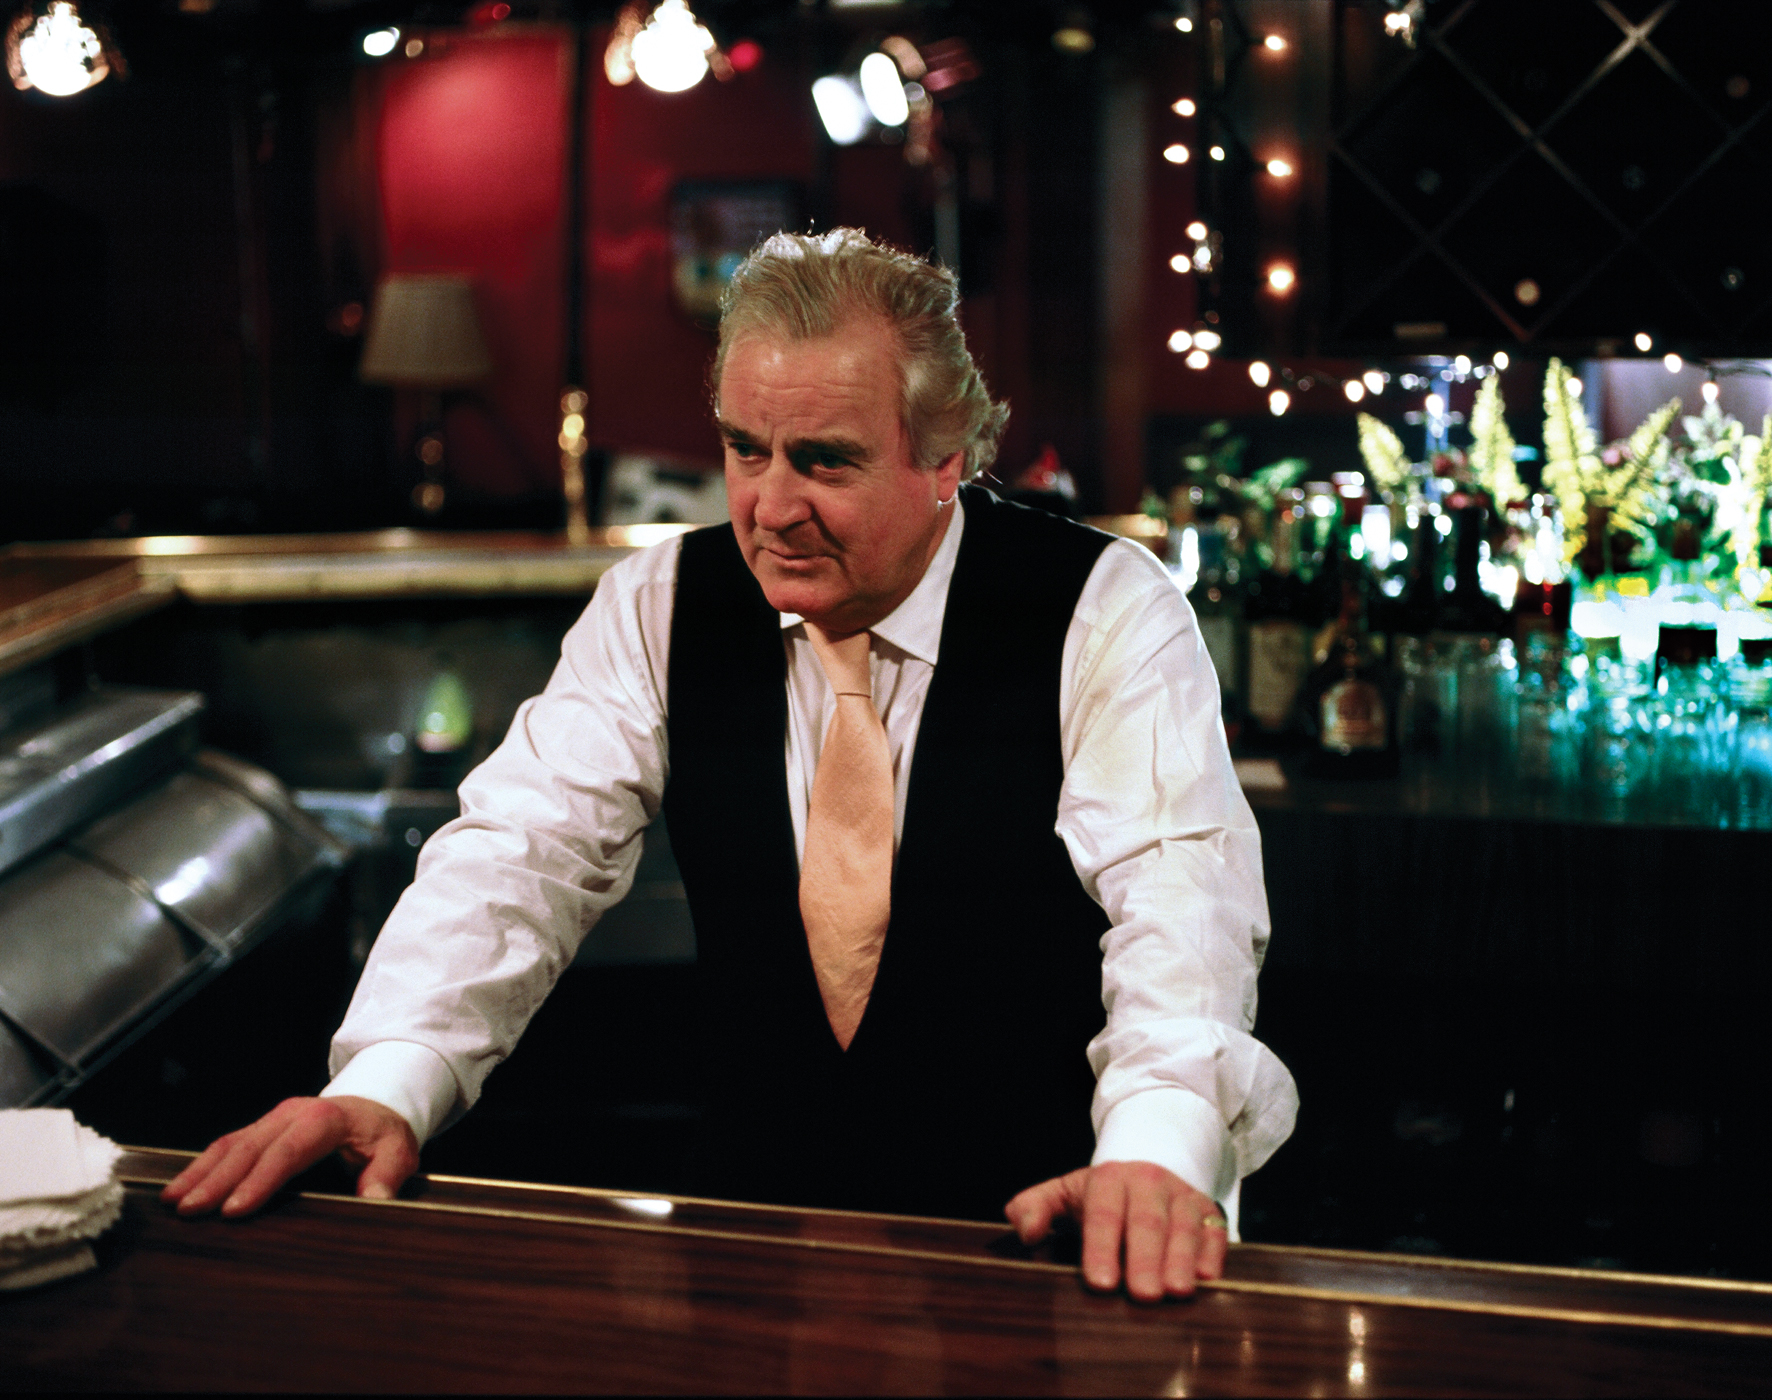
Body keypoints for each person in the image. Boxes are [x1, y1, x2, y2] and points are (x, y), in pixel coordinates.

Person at [164, 228, 1297, 1303]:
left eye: (825, 460)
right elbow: (516, 855)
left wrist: (1156, 1145)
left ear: (944, 456)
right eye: (745, 450)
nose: (770, 507)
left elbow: (1182, 898)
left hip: (1038, 1240)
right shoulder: (658, 602)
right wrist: (386, 1081)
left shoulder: (1104, 608)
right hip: (751, 1239)